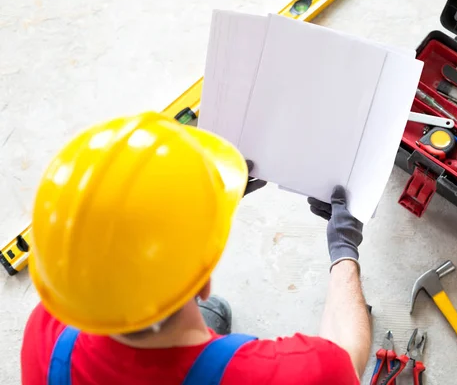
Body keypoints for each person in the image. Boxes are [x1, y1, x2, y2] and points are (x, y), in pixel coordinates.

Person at [21, 112, 371, 385]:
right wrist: (344, 251)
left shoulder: (46, 333)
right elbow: (347, 358)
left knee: (210, 319)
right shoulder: (298, 375)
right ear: (202, 283)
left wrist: (204, 205)